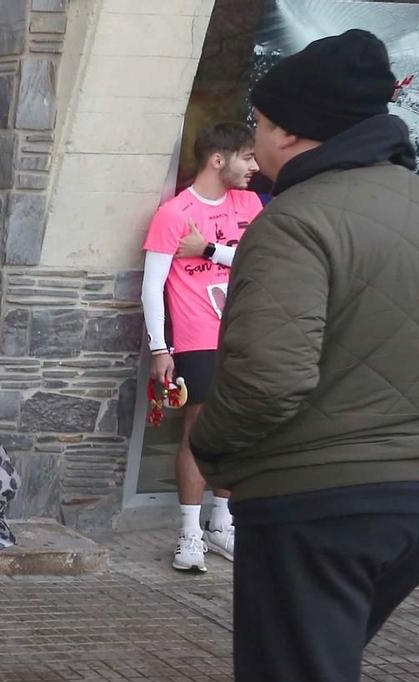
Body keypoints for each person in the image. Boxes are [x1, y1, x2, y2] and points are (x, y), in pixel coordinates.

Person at [144, 29, 419, 682]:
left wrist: (215, 447)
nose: (257, 140)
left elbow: (265, 381)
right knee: (305, 660)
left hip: (319, 496)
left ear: (301, 133)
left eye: (265, 123)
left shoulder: (297, 221)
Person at [142, 121, 261, 573]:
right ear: (218, 159)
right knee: (199, 429)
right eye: (246, 157)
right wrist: (159, 347)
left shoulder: (250, 204)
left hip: (247, 333)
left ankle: (221, 524)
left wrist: (209, 249)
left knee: (237, 430)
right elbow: (153, 287)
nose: (254, 166)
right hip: (197, 337)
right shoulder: (174, 212)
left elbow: (264, 258)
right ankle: (190, 533)